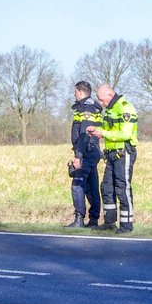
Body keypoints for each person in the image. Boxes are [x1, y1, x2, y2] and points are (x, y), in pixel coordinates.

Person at [87, 83, 138, 232]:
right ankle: (109, 222)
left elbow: (126, 134)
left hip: (124, 153)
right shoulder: (109, 110)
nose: (101, 104)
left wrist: (103, 134)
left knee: (122, 188)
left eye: (102, 100)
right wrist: (97, 131)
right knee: (107, 188)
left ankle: (127, 225)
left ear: (110, 95)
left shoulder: (125, 107)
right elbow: (110, 131)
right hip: (111, 154)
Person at [67, 81, 103, 228]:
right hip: (92, 150)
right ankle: (94, 220)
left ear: (80, 91)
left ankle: (79, 219)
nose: (74, 94)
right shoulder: (93, 107)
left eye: (75, 92)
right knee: (92, 183)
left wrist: (78, 156)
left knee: (78, 183)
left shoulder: (86, 108)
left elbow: (85, 134)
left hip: (86, 149)